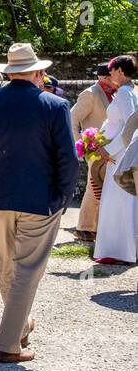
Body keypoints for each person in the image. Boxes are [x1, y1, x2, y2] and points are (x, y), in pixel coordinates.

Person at [0, 43, 78, 363]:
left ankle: (22, 324)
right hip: (39, 198)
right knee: (26, 270)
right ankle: (8, 343)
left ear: (11, 73)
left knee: (7, 267)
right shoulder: (55, 105)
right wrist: (62, 198)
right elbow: (67, 159)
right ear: (39, 73)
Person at [95, 55, 138, 264]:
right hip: (118, 151)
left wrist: (109, 150)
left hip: (119, 153)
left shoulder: (124, 93)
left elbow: (130, 127)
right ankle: (121, 249)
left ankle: (121, 251)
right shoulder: (130, 91)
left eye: (112, 70)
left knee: (119, 201)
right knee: (118, 201)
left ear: (120, 71)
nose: (109, 73)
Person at [70, 63, 116, 244]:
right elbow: (72, 118)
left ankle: (95, 227)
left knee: (101, 188)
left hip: (109, 149)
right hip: (94, 149)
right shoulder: (91, 93)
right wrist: (80, 144)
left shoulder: (112, 93)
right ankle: (84, 228)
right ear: (104, 77)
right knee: (92, 187)